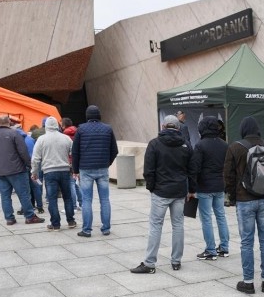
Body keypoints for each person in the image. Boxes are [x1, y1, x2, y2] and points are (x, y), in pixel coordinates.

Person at [224, 116, 264, 294]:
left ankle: (248, 282)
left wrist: (233, 197)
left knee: (246, 242)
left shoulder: (235, 147)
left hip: (244, 201)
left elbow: (228, 176)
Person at [131, 116, 195, 273]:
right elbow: (192, 170)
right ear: (178, 127)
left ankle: (150, 263)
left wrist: (152, 188)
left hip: (161, 191)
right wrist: (191, 190)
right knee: (178, 225)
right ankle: (176, 261)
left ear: (163, 126)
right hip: (179, 191)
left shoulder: (154, 144)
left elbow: (148, 170)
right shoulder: (186, 144)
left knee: (155, 226)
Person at [0, 115, 43, 225]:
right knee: (24, 194)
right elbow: (23, 152)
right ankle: (30, 216)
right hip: (17, 170)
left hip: (0, 171)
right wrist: (30, 165)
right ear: (10, 122)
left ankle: (9, 218)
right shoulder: (14, 134)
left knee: (5, 196)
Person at [72, 105, 119, 237]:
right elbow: (114, 150)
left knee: (86, 199)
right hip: (102, 169)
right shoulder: (108, 129)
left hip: (85, 169)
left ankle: (86, 230)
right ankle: (106, 229)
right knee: (104, 199)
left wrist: (75, 170)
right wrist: (107, 163)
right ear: (99, 116)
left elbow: (75, 152)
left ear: (87, 116)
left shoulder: (81, 129)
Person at [191, 116, 230, 260]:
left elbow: (195, 168)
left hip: (205, 187)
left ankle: (210, 250)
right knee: (221, 216)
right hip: (220, 185)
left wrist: (192, 187)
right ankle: (224, 248)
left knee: (206, 218)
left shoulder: (200, 145)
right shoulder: (224, 145)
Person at [31, 116, 76, 231]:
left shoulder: (41, 139)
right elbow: (74, 153)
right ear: (57, 125)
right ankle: (71, 221)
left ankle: (55, 224)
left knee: (52, 199)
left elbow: (35, 158)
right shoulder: (66, 138)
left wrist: (34, 172)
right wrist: (74, 168)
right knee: (67, 197)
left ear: (46, 126)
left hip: (49, 172)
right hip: (65, 170)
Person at [61, 118, 82, 210]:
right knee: (77, 184)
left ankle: (73, 206)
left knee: (71, 184)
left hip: (69, 161)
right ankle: (81, 204)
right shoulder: (78, 132)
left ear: (64, 125)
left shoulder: (64, 135)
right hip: (78, 160)